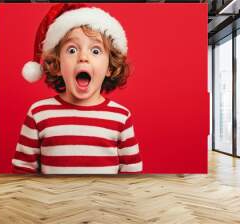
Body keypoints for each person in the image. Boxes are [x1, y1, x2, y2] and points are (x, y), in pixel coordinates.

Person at [12, 3, 142, 174]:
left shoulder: (121, 117)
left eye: (95, 51)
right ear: (57, 66)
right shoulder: (39, 113)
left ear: (110, 67)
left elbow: (132, 172)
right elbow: (22, 170)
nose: (83, 57)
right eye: (72, 50)